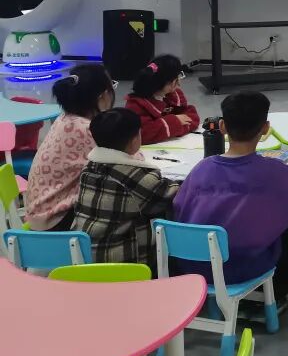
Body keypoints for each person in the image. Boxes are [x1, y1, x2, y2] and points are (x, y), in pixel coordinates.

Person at [172, 92, 288, 310]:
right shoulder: (273, 172)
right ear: (265, 129)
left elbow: (179, 207)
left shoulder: (201, 169)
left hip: (194, 266)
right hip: (244, 268)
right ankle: (276, 295)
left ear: (222, 126)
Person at [71, 108, 178, 267]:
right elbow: (173, 195)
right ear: (135, 140)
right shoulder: (137, 177)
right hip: (118, 262)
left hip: (82, 256)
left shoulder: (89, 167)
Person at [24, 64, 116, 231]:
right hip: (55, 220)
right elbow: (120, 163)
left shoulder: (65, 119)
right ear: (102, 96)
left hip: (38, 214)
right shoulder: (87, 129)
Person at [125, 54, 200, 144]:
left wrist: (172, 128)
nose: (179, 82)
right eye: (178, 76)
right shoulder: (136, 104)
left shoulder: (172, 95)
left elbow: (192, 117)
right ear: (171, 82)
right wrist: (175, 122)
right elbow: (142, 134)